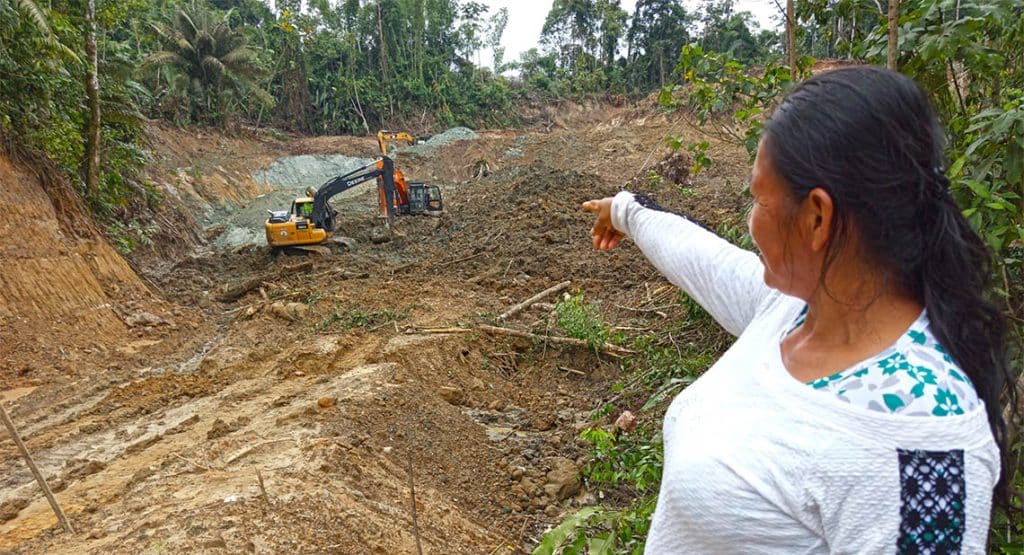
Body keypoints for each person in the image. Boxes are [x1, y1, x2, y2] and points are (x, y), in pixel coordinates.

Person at [582, 66, 1011, 553]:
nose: (751, 222)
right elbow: (703, 260)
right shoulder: (797, 313)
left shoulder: (922, 430)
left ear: (817, 217)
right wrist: (625, 211)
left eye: (759, 201)